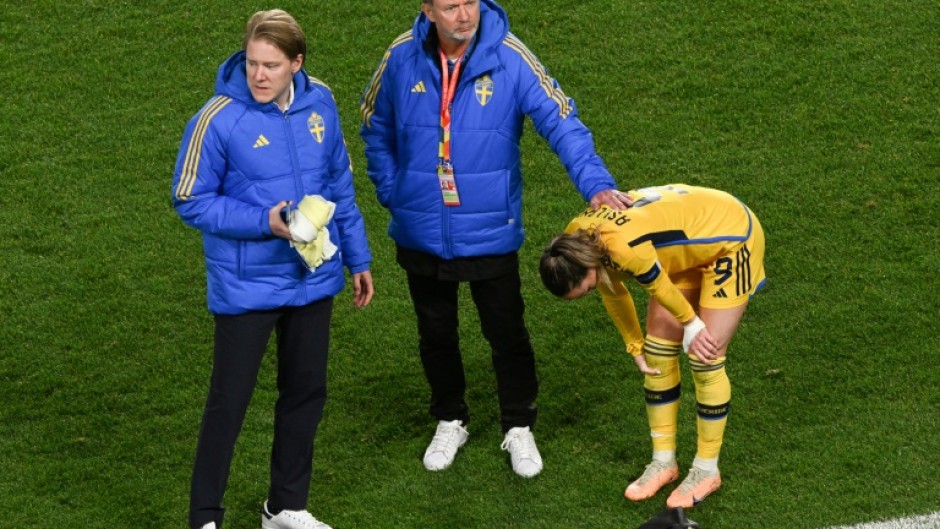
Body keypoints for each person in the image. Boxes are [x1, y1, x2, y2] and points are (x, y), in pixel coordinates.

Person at [359, 0, 631, 478]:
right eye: (450, 6)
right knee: (435, 332)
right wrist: (394, 190)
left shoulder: (510, 55)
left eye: (470, 3)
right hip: (420, 226)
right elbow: (374, 125)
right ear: (427, 10)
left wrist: (597, 185)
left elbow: (561, 120)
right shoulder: (400, 56)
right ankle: (450, 418)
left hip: (490, 229)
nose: (463, 15)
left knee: (506, 332)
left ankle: (519, 425)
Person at [171, 10, 373, 529]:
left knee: (306, 393)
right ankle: (204, 518)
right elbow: (189, 199)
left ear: (296, 64)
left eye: (272, 66)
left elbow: (339, 184)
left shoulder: (320, 102)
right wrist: (264, 221)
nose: (259, 75)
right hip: (247, 286)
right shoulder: (216, 118)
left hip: (313, 278)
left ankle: (284, 507)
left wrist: (359, 256)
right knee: (229, 402)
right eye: (253, 63)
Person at [539, 184, 766, 508]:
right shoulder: (575, 240)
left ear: (589, 266)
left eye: (586, 289)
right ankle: (664, 463)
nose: (591, 292)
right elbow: (613, 291)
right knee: (657, 353)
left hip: (729, 237)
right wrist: (635, 346)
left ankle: (706, 469)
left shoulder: (624, 249)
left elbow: (656, 285)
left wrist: (693, 325)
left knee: (705, 357)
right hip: (683, 244)